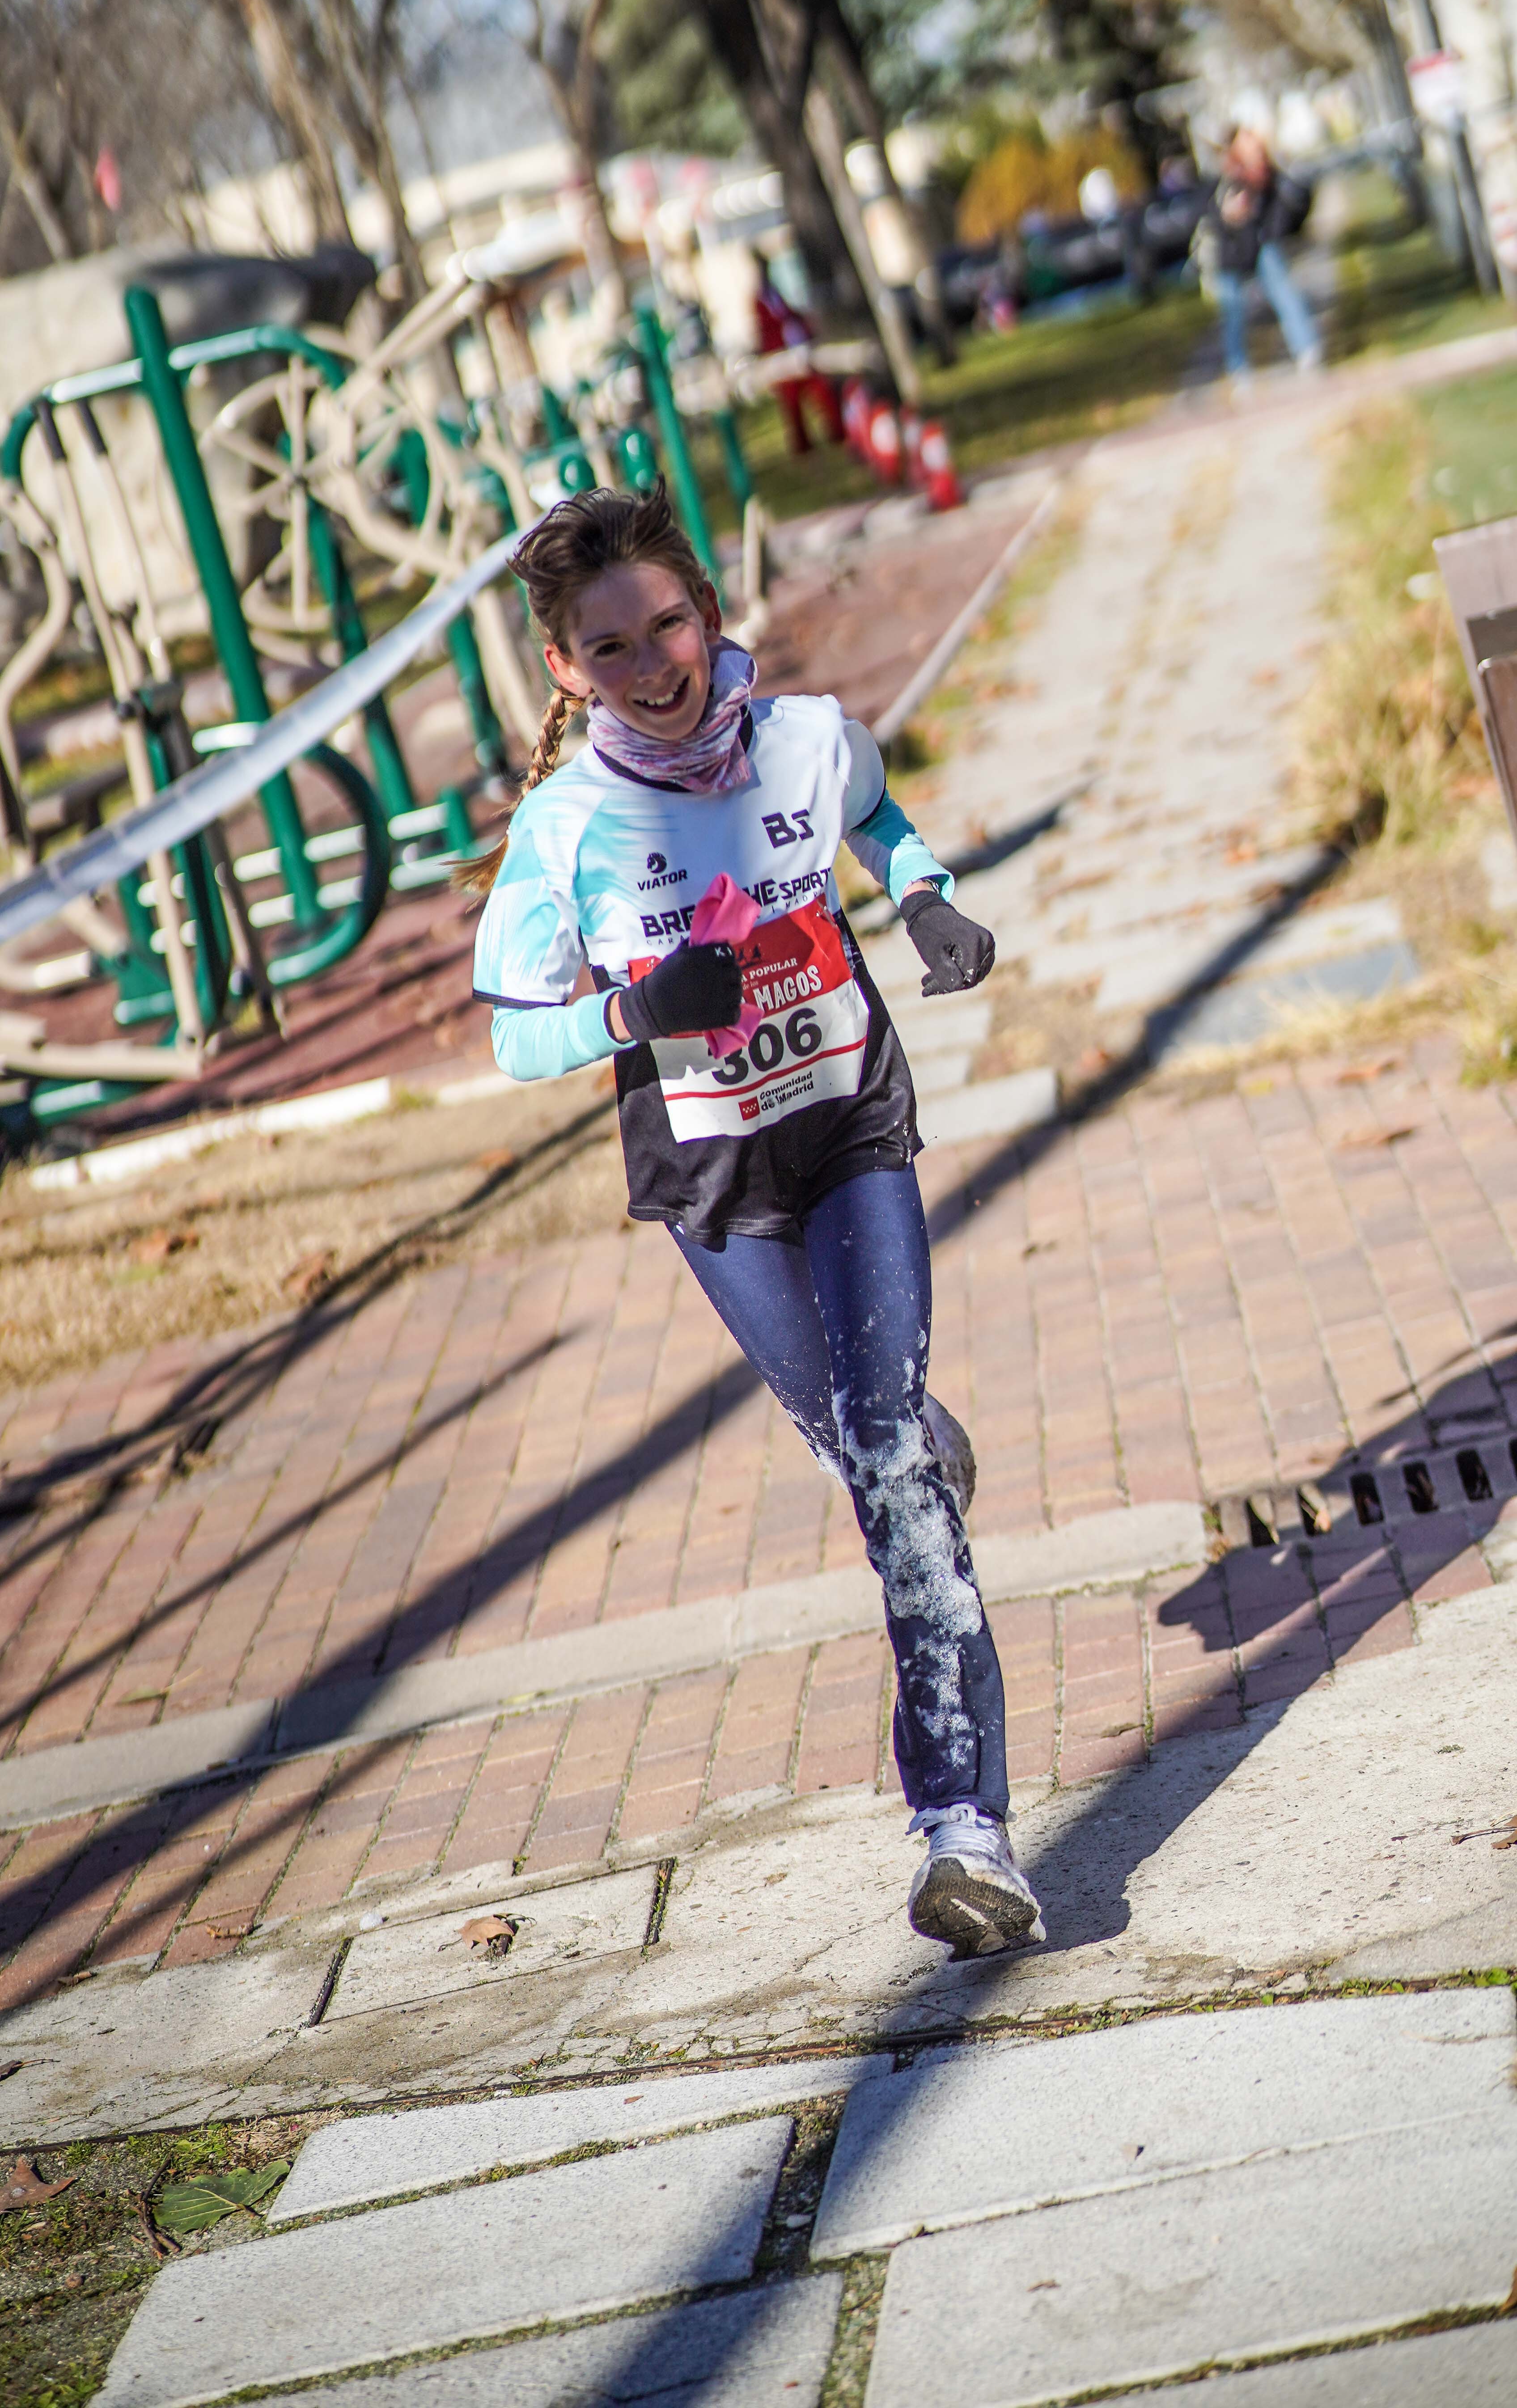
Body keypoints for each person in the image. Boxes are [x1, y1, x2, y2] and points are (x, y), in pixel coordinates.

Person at [466, 482, 1045, 1960]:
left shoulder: (804, 737)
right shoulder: (565, 831)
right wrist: (634, 1008)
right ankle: (896, 1424)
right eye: (612, 648)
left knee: (895, 1480)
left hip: (851, 1129)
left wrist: (924, 902)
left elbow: (879, 816)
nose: (653, 665)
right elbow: (514, 1041)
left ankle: (967, 1838)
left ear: (710, 612)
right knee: (875, 1441)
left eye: (669, 622)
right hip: (719, 1185)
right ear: (566, 671)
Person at [1204, 127, 1321, 379]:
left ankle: (1307, 348)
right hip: (1232, 251)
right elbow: (1213, 215)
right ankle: (1239, 370)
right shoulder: (1226, 178)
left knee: (1284, 292)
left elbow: (1287, 203)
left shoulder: (1267, 174)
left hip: (1262, 242)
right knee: (1233, 312)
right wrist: (1230, 215)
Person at [750, 251, 845, 456]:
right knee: (792, 405)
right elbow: (766, 330)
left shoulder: (776, 294)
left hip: (799, 349)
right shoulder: (760, 301)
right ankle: (803, 447)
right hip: (781, 356)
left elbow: (789, 315)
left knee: (821, 390)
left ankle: (838, 433)